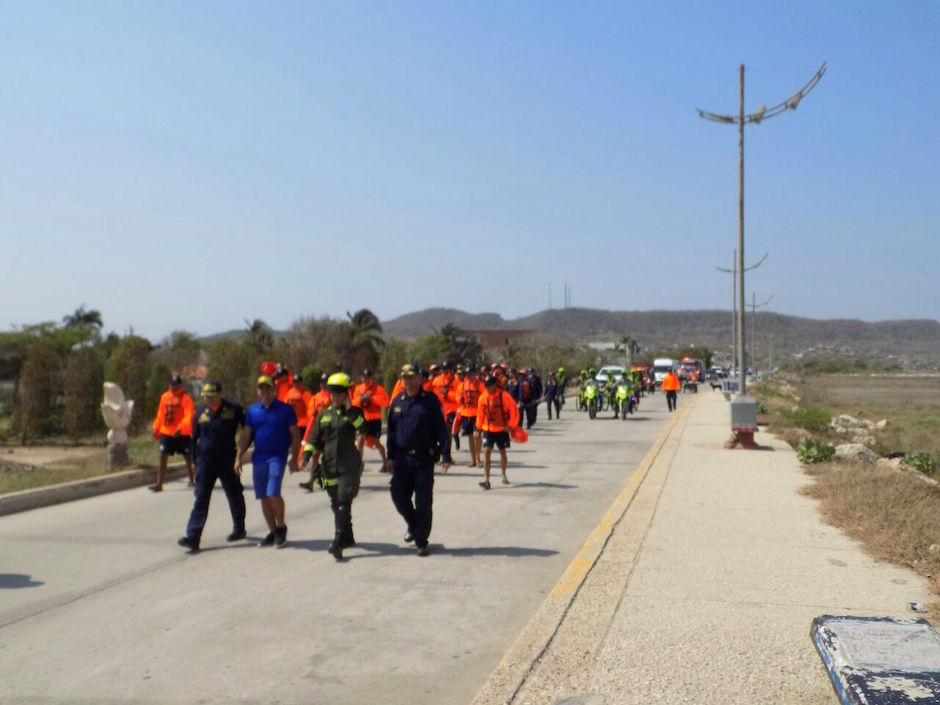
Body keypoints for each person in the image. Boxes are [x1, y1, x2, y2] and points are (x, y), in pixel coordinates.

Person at [385, 363, 451, 557]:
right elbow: (391, 432)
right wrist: (389, 457)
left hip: (423, 458)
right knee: (398, 495)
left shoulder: (430, 401)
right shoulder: (397, 401)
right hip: (401, 458)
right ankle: (412, 524)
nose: (408, 381)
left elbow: (441, 429)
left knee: (423, 500)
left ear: (420, 379)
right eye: (404, 377)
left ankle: (421, 540)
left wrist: (445, 454)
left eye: (411, 377)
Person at [177, 381, 246, 553]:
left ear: (221, 394)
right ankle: (193, 537)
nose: (209, 399)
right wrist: (194, 461)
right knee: (201, 497)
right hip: (205, 463)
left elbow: (248, 430)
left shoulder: (234, 410)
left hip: (227, 460)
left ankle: (239, 528)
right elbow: (194, 440)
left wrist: (241, 454)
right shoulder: (200, 413)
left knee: (234, 493)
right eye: (206, 396)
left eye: (212, 395)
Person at [301, 373, 365, 561]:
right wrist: (306, 456)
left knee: (343, 501)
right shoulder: (324, 414)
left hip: (349, 464)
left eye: (339, 394)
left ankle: (338, 541)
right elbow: (314, 437)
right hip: (328, 464)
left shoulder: (355, 413)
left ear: (346, 395)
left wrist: (349, 411)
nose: (335, 397)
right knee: (335, 502)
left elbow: (362, 428)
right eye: (332, 394)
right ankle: (348, 534)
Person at [236, 375, 300, 547]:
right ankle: (273, 532)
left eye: (267, 388)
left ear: (274, 390)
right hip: (259, 458)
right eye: (261, 388)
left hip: (277, 456)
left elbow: (295, 434)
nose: (264, 391)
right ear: (257, 391)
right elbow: (246, 435)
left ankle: (280, 527)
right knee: (263, 497)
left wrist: (295, 457)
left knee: (273, 492)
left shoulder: (285, 410)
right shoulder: (252, 411)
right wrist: (238, 458)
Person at [150, 374, 195, 491]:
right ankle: (159, 484)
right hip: (167, 432)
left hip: (181, 433)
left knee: (188, 456)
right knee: (163, 456)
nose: (174, 386)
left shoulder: (186, 398)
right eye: (172, 384)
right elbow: (160, 414)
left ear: (181, 385)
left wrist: (180, 429)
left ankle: (192, 480)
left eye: (176, 384)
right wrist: (156, 428)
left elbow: (188, 416)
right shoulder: (165, 397)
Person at [475, 374, 520, 490]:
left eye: (490, 385)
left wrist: (510, 425)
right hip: (488, 429)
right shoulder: (482, 398)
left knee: (502, 452)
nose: (488, 388)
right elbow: (480, 415)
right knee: (486, 452)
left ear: (495, 385)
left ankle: (503, 473)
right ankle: (486, 480)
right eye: (486, 386)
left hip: (501, 429)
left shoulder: (504, 396)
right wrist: (478, 429)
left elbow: (514, 411)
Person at [352, 368, 390, 471]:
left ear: (371, 378)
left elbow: (385, 402)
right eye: (364, 377)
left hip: (374, 419)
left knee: (376, 442)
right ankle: (359, 464)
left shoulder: (378, 389)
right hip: (363, 419)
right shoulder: (358, 389)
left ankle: (385, 461)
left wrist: (371, 398)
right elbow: (353, 403)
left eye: (368, 377)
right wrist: (361, 399)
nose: (366, 379)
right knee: (360, 441)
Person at [299, 374, 331, 491]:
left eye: (325, 382)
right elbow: (309, 412)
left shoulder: (332, 397)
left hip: (329, 430)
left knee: (328, 458)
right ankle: (311, 481)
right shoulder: (315, 397)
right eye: (322, 382)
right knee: (315, 456)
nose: (323, 384)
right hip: (318, 429)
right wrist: (311, 412)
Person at [456, 366, 483, 467]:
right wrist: (460, 399)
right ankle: (473, 460)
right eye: (468, 374)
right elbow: (457, 398)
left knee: (477, 436)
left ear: (475, 374)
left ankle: (478, 458)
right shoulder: (462, 385)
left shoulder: (480, 384)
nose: (469, 376)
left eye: (471, 373)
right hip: (466, 413)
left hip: (477, 414)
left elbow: (485, 396)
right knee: (470, 437)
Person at [284, 372, 312, 440]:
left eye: (298, 382)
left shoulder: (306, 394)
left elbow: (310, 409)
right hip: (290, 423)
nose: (296, 384)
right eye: (295, 382)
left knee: (301, 443)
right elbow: (285, 406)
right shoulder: (289, 393)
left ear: (302, 383)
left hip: (302, 424)